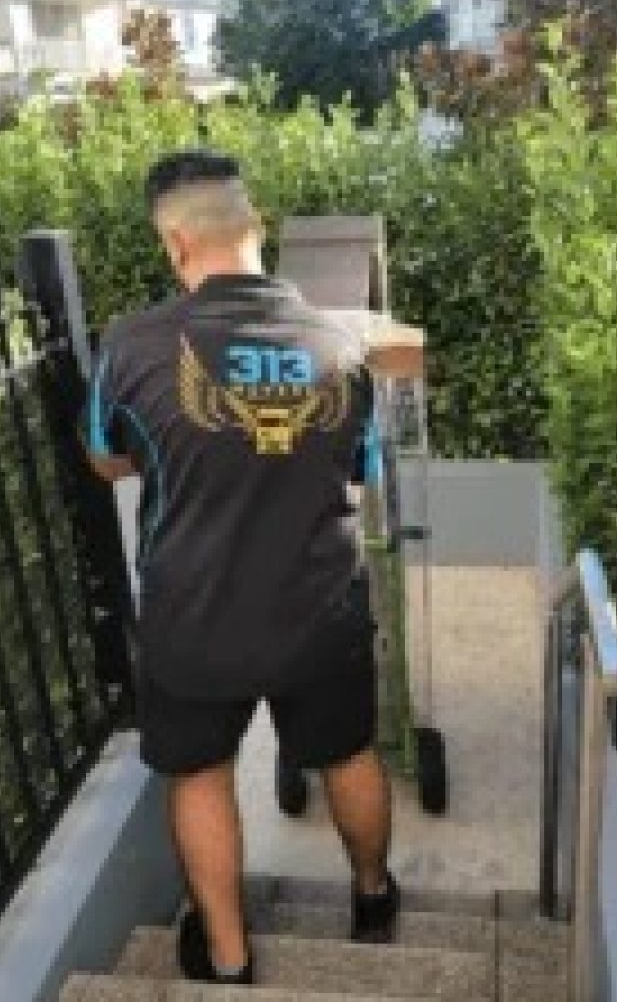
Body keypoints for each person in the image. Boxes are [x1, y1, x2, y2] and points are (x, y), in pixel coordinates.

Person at [82, 149, 422, 985]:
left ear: (174, 242)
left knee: (199, 775)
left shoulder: (131, 347)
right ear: (256, 227)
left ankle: (229, 960)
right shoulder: (340, 347)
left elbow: (106, 460)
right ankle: (373, 897)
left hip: (193, 616)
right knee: (348, 754)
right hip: (320, 612)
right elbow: (362, 471)